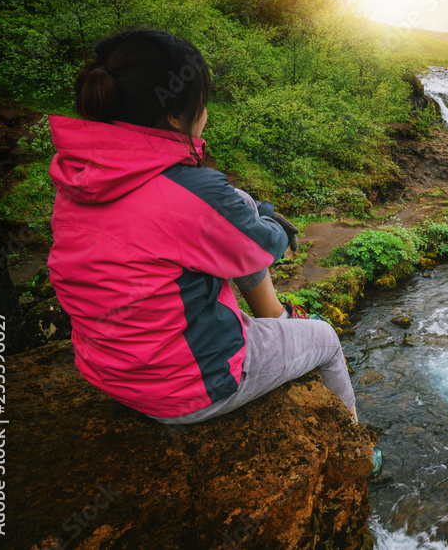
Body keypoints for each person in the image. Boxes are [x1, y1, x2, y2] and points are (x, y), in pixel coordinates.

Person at [48, 29, 378, 472]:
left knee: (233, 210)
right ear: (174, 115)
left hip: (108, 370)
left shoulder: (78, 178)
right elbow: (267, 246)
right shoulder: (190, 190)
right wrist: (268, 219)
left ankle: (273, 318)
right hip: (186, 386)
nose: (205, 112)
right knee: (326, 339)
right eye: (201, 101)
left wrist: (244, 208)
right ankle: (358, 452)